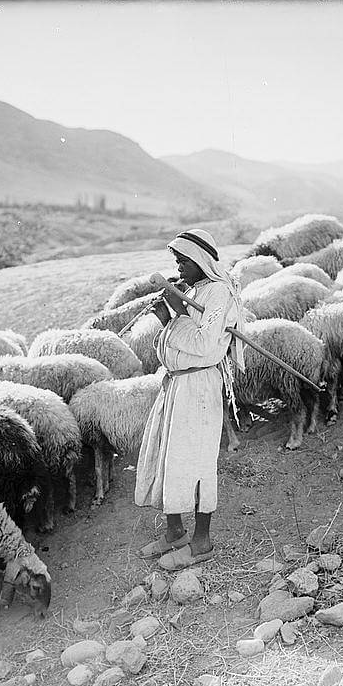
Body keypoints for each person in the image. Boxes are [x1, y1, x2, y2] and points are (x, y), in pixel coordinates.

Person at [134, 229, 246, 571]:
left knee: (195, 460)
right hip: (176, 385)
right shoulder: (195, 290)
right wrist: (171, 317)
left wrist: (175, 316)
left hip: (199, 388)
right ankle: (175, 532)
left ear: (201, 261)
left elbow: (204, 346)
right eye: (176, 261)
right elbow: (172, 346)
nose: (179, 267)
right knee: (171, 456)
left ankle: (201, 542)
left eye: (183, 261)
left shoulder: (218, 294)